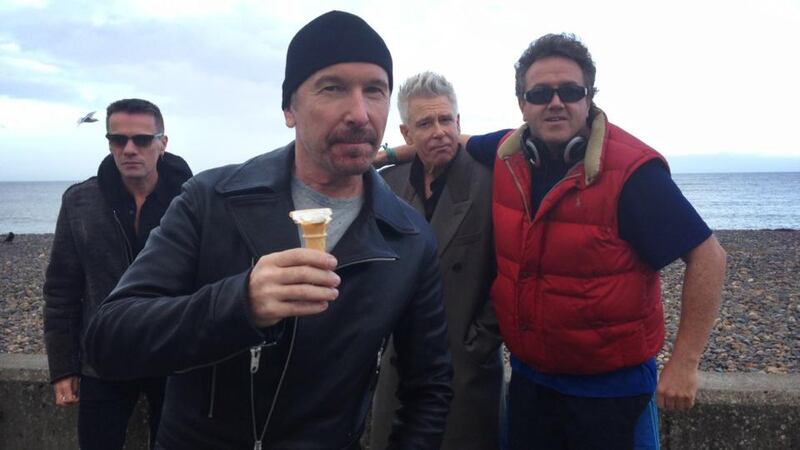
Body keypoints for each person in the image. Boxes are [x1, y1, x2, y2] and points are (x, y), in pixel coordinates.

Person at [83, 11, 452, 450]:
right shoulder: (211, 199)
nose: (359, 112)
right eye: (332, 87)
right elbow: (109, 339)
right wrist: (241, 304)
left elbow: (429, 387)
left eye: (374, 90)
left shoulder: (408, 238)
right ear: (289, 109)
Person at [380, 33, 728, 449]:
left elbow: (709, 256)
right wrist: (381, 156)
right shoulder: (508, 152)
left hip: (611, 391)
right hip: (532, 382)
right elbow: (449, 142)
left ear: (589, 97)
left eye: (570, 91)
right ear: (522, 103)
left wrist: (685, 362)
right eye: (541, 93)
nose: (555, 102)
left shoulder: (632, 172)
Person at [43, 98, 193, 449]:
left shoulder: (192, 201)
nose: (129, 149)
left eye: (141, 140)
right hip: (104, 357)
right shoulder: (80, 201)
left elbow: (212, 280)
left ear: (162, 143)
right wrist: (63, 366)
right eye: (118, 140)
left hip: (175, 355)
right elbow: (62, 287)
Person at [371, 72, 503, 450]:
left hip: (465, 365)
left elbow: (511, 269)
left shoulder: (490, 181)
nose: (439, 131)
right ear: (406, 133)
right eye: (425, 123)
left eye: (446, 120)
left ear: (460, 123)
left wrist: (480, 339)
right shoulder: (389, 184)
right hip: (399, 365)